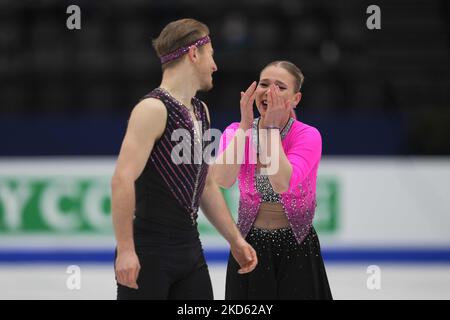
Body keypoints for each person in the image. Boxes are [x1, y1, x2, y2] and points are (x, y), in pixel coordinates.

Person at [111, 18, 257, 300]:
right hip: (149, 251)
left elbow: (206, 184)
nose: (215, 65)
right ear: (194, 53)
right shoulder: (152, 109)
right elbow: (121, 179)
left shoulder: (201, 111)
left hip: (189, 249)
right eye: (211, 55)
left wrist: (235, 240)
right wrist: (126, 249)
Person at [212, 60, 332, 299]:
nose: (269, 92)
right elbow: (222, 180)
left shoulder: (307, 136)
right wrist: (246, 126)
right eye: (264, 84)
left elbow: (281, 183)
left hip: (296, 245)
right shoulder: (237, 130)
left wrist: (271, 129)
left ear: (296, 99)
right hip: (248, 244)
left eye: (280, 87)